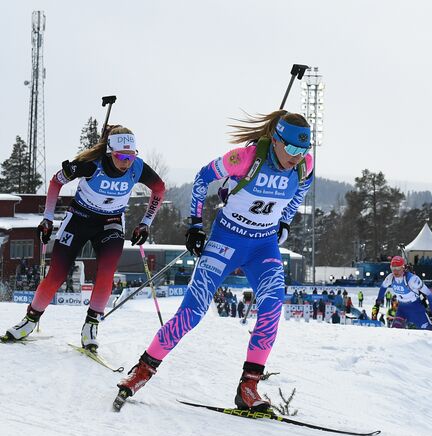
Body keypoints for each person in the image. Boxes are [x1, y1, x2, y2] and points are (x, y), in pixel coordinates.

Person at [116, 110, 314, 411]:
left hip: (264, 246)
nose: (298, 156)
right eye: (293, 148)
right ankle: (141, 371)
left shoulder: (304, 166)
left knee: (273, 306)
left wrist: (284, 221)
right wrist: (195, 224)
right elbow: (201, 179)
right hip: (226, 241)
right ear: (275, 139)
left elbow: (300, 191)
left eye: (304, 149)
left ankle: (248, 386)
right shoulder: (244, 159)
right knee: (192, 312)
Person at [2, 126, 166, 350]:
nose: (127, 161)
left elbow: (159, 189)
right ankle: (29, 321)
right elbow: (55, 182)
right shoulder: (91, 164)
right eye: (121, 156)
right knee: (56, 274)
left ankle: (91, 325)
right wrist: (47, 218)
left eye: (131, 155)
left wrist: (145, 222)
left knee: (106, 273)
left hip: (111, 223)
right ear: (110, 152)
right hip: (79, 219)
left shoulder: (137, 168)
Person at [377, 256, 432, 330]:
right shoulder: (390, 278)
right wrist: (377, 303)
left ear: (403, 268)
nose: (395, 271)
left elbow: (429, 294)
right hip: (402, 309)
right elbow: (383, 288)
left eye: (398, 268)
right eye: (393, 268)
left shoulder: (412, 279)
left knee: (429, 332)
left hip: (416, 309)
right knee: (396, 332)